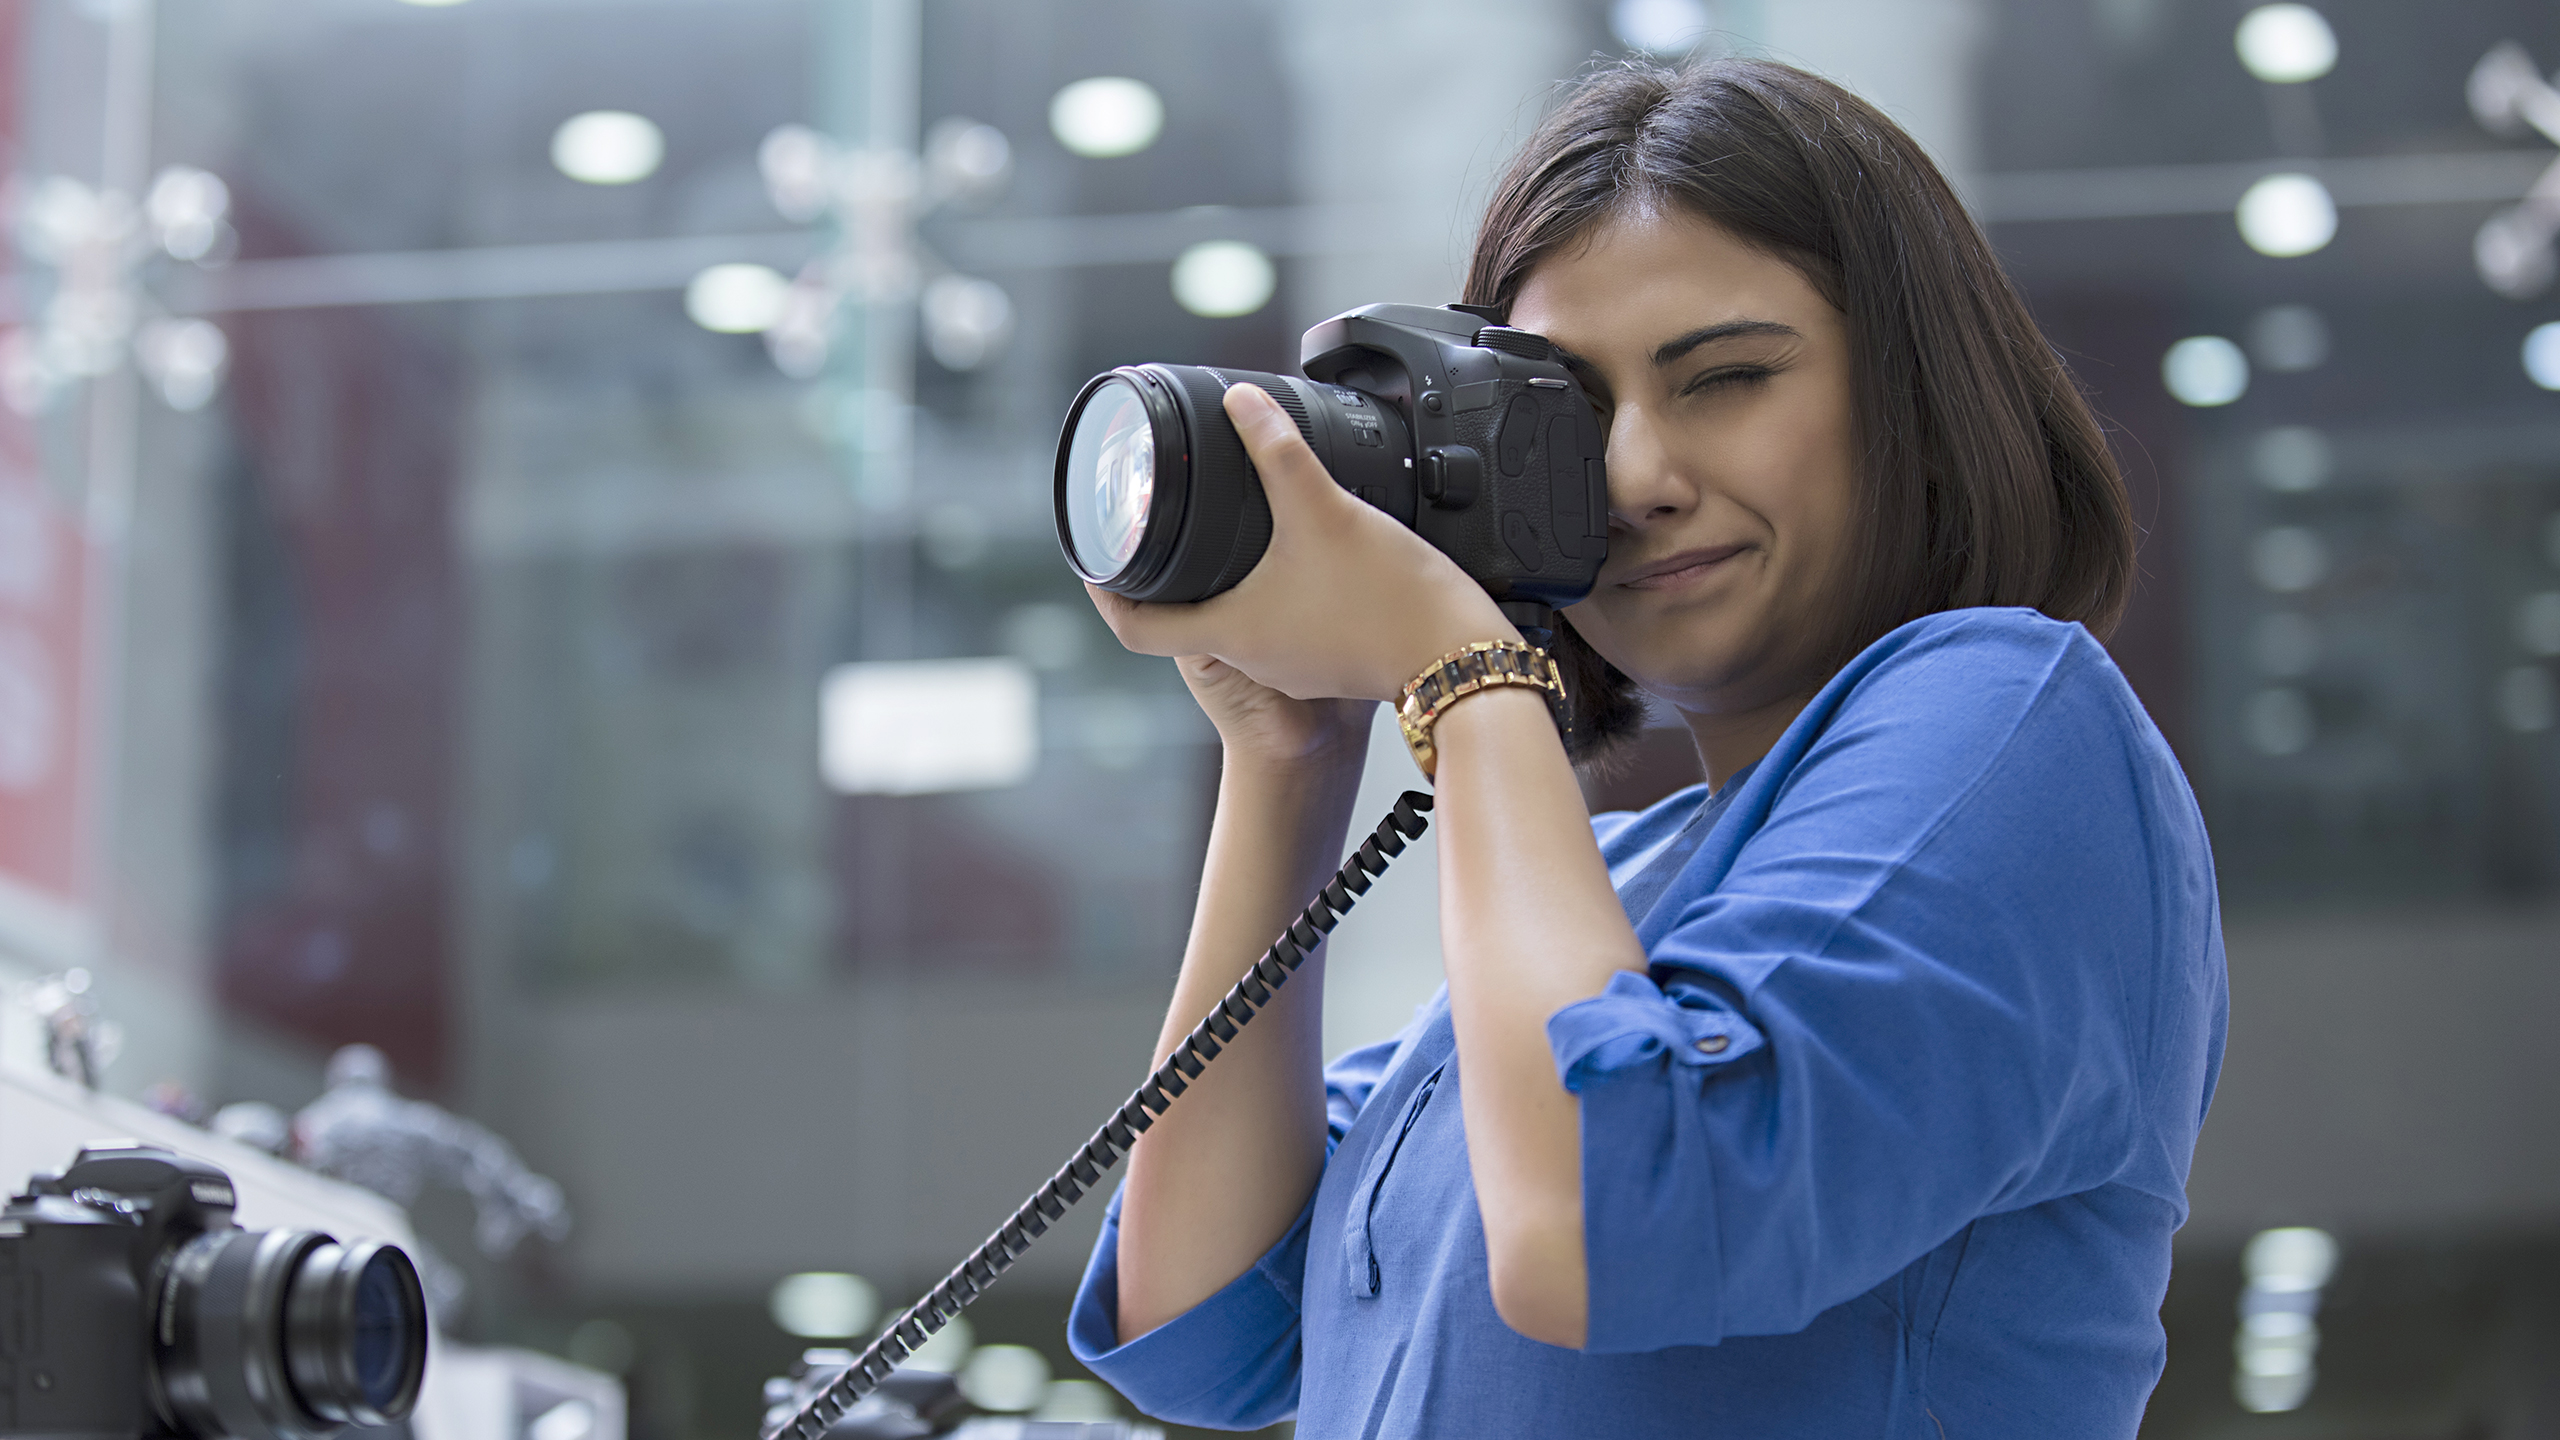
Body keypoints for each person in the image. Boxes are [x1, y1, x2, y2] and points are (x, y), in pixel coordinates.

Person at [1065, 57, 2226, 1437]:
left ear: (1915, 392)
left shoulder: (2024, 722)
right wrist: (1290, 755)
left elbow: (1605, 1223)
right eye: (1573, 418)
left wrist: (1461, 669)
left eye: (1724, 378)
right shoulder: (1602, 892)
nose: (1634, 481)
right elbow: (1199, 1323)